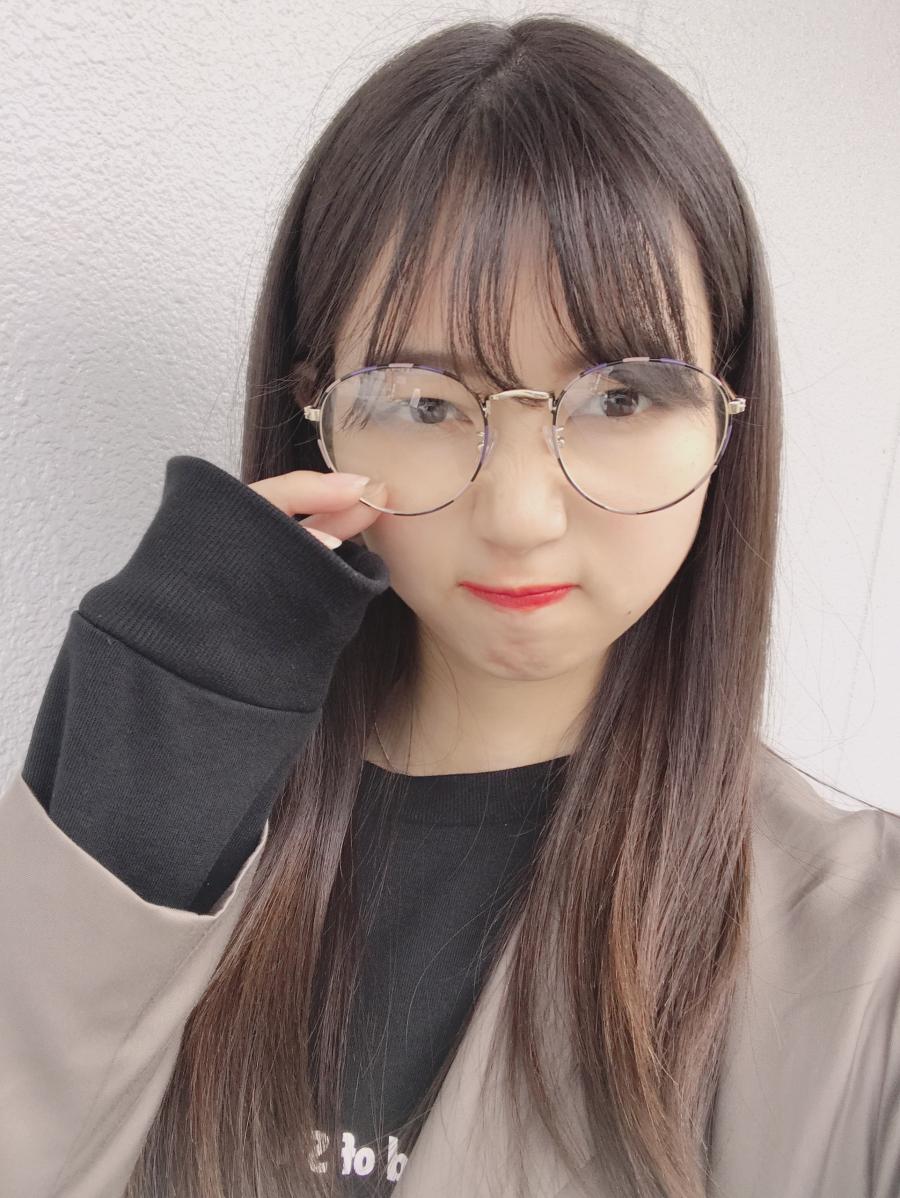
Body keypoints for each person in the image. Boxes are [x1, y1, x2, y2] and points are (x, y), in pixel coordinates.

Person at [1, 15, 898, 1198]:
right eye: (425, 403)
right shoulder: (173, 829)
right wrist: (150, 737)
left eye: (623, 396)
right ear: (319, 419)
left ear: (729, 416)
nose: (520, 512)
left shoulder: (864, 957)